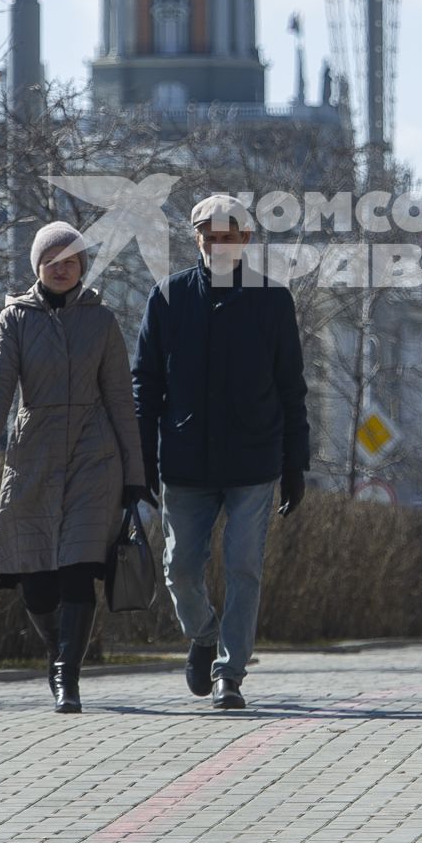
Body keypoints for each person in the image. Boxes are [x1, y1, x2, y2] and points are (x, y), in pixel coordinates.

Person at [132, 193, 310, 711]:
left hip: (253, 460)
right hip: (185, 460)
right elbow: (146, 385)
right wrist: (142, 460)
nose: (219, 242)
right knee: (180, 568)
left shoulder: (272, 301)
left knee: (244, 565)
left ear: (247, 239)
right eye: (209, 234)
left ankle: (230, 673)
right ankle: (204, 633)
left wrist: (294, 465)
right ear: (197, 239)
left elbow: (291, 387)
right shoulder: (168, 297)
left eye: (229, 233)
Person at [0, 220, 151, 715]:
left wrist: (136, 475)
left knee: (77, 571)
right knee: (35, 578)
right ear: (39, 267)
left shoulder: (102, 320)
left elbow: (119, 398)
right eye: (53, 261)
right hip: (34, 456)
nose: (62, 268)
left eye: (71, 260)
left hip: (95, 458)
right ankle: (57, 652)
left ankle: (67, 675)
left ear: (83, 266)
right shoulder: (16, 319)